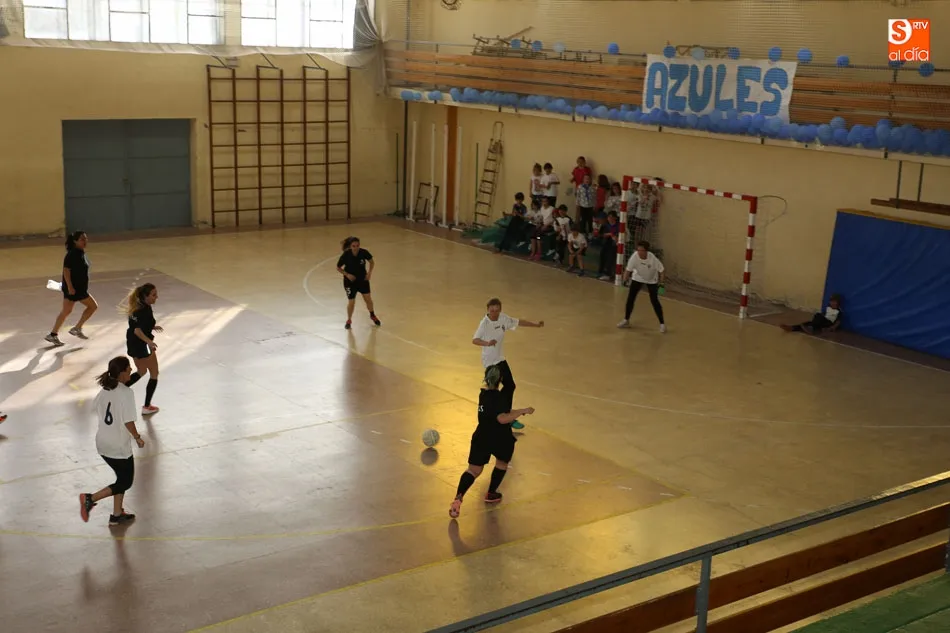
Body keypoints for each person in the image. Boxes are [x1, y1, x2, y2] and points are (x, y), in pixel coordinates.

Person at [449, 365, 535, 518]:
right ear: (500, 379)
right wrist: (522, 411)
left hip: (481, 436)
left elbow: (500, 411)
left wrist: (516, 411)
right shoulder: (500, 397)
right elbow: (502, 418)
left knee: (473, 471)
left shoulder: (483, 395)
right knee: (501, 463)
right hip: (500, 438)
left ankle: (458, 497)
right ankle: (491, 493)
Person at [79, 356, 145, 527]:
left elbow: (95, 409)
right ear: (122, 372)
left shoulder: (104, 390)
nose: (131, 370)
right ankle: (90, 499)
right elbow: (128, 421)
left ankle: (116, 515)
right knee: (125, 482)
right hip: (118, 446)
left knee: (120, 478)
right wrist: (137, 437)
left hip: (102, 443)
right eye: (129, 368)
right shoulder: (126, 393)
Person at [472, 297, 544, 430]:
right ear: (488, 310)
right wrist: (487, 343)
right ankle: (496, 417)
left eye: (497, 310)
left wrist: (536, 325)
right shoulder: (484, 324)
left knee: (510, 386)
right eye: (492, 311)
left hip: (500, 359)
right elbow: (475, 340)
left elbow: (518, 322)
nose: (495, 313)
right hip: (490, 363)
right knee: (493, 391)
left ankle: (506, 415)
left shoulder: (503, 318)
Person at [45, 231, 98, 346]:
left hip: (77, 288)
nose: (85, 241)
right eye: (82, 239)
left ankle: (53, 335)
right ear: (75, 241)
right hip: (76, 289)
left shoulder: (80, 252)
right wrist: (70, 287)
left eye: (86, 238)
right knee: (93, 306)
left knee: (66, 311)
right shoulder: (73, 254)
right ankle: (77, 328)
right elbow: (66, 271)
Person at [125, 283, 163, 415]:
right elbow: (137, 330)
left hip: (132, 342)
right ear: (145, 296)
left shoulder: (137, 307)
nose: (156, 297)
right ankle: (147, 406)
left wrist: (151, 327)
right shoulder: (144, 310)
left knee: (141, 371)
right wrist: (149, 342)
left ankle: (114, 391)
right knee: (154, 373)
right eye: (153, 295)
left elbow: (137, 325)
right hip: (142, 344)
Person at [618, 241, 667, 333]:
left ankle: (662, 324)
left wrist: (661, 284)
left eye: (641, 250)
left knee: (654, 301)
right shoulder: (634, 257)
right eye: (638, 250)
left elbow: (662, 271)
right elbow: (628, 271)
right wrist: (624, 281)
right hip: (638, 278)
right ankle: (626, 320)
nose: (639, 252)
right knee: (630, 299)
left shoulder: (652, 259)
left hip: (651, 280)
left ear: (646, 251)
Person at [336, 236, 381, 330]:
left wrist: (369, 273)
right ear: (350, 246)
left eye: (357, 246)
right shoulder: (346, 255)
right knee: (351, 302)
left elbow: (372, 262)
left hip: (362, 280)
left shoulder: (364, 252)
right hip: (350, 282)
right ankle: (349, 320)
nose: (356, 248)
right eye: (353, 246)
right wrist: (347, 274)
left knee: (368, 299)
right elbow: (338, 267)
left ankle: (372, 315)